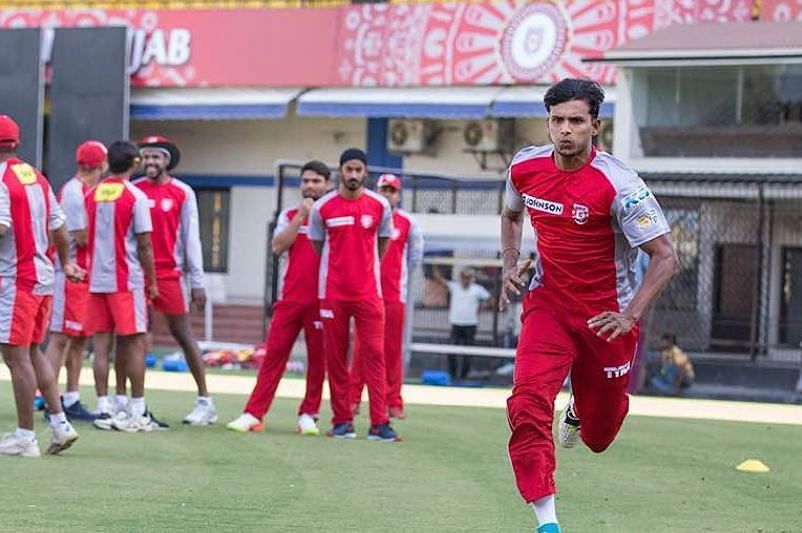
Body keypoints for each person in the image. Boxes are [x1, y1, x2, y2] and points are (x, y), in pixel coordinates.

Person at [499, 79, 678, 533]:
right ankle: (547, 521)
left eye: (576, 121)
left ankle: (581, 409)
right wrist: (510, 265)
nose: (565, 130)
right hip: (548, 306)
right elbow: (511, 214)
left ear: (595, 126)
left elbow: (666, 256)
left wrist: (629, 315)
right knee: (527, 403)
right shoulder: (524, 167)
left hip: (608, 319)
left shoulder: (621, 184)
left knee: (599, 436)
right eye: (557, 121)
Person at [227, 160, 331, 435]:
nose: (310, 186)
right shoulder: (289, 215)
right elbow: (277, 246)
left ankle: (309, 414)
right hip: (290, 299)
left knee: (318, 360)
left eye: (316, 181)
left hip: (322, 300)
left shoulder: (333, 214)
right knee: (273, 356)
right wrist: (300, 217)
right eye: (306, 181)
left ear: (327, 185)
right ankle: (254, 413)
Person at [0, 114, 82, 457]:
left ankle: (25, 437)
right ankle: (60, 424)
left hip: (15, 279)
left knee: (16, 357)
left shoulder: (1, 178)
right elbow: (60, 227)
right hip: (43, 277)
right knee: (33, 351)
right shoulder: (36, 176)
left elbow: (1, 226)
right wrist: (66, 262)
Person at [308, 148, 400, 441]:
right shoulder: (322, 208)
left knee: (374, 355)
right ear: (340, 171)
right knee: (335, 357)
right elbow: (317, 246)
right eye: (349, 169)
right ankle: (342, 421)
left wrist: (364, 267)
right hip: (332, 293)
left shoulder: (379, 206)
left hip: (368, 294)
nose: (353, 175)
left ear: (365, 173)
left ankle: (379, 423)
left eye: (358, 170)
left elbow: (384, 241)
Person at [133, 135, 215, 425]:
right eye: (147, 156)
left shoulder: (182, 192)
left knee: (182, 334)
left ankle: (205, 401)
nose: (151, 162)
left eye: (157, 157)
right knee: (135, 337)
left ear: (167, 161)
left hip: (171, 273)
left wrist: (197, 282)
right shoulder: (133, 190)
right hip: (138, 273)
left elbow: (191, 238)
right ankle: (133, 404)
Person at [85, 140, 160, 433]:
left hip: (97, 279)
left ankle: (106, 405)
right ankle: (137, 407)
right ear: (134, 163)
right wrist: (152, 282)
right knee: (134, 342)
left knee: (101, 344)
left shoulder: (92, 194)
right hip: (125, 280)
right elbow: (144, 244)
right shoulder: (135, 196)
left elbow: (81, 235)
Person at [349, 173, 424, 420]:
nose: (387, 194)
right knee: (361, 349)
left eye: (392, 190)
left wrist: (399, 281)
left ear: (398, 194)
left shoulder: (407, 223)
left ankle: (393, 401)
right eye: (384, 189)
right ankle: (353, 400)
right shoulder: (366, 218)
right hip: (367, 293)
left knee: (392, 351)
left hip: (393, 295)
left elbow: (415, 256)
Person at [44, 141, 107, 422]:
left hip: (80, 274)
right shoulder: (74, 191)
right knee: (60, 338)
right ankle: (48, 399)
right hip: (67, 273)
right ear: (101, 165)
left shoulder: (83, 190)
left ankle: (71, 397)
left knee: (79, 338)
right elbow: (81, 237)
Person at [432, 266, 491, 379]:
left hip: (470, 324)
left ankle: (463, 376)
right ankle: (453, 374)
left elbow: (490, 299)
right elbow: (440, 280)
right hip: (456, 324)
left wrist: (483, 308)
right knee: (452, 350)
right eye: (463, 277)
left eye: (468, 277)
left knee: (468, 352)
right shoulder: (455, 287)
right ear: (460, 278)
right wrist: (435, 267)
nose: (465, 280)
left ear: (471, 278)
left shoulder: (477, 289)